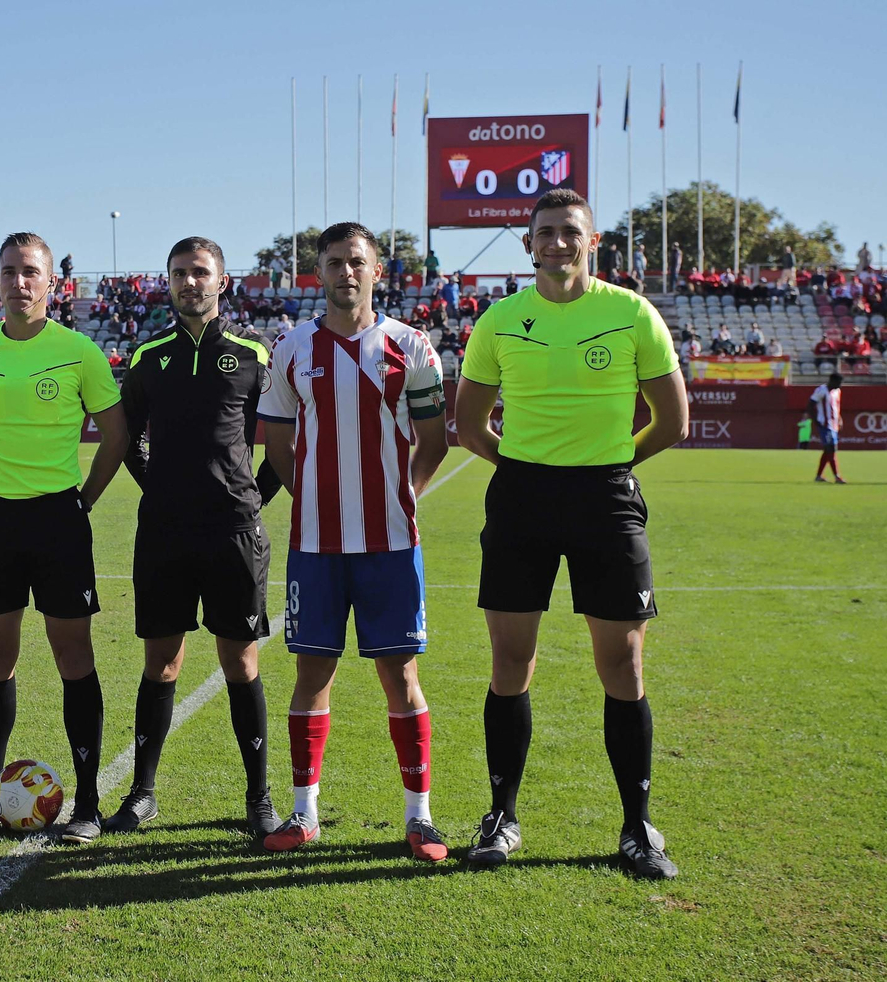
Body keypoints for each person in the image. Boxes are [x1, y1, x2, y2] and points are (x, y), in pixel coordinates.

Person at [454, 188, 689, 880]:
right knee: (510, 664)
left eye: (569, 232)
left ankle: (637, 826)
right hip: (522, 500)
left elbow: (671, 421)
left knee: (623, 666)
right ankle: (501, 815)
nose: (557, 242)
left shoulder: (631, 313)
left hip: (606, 501)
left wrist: (607, 468)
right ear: (528, 244)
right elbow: (471, 427)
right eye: (545, 232)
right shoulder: (499, 320)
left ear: (593, 243)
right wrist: (529, 470)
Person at [257, 223, 451, 861]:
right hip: (314, 545)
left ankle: (419, 819)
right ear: (319, 272)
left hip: (391, 545)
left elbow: (435, 440)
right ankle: (304, 813)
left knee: (400, 673)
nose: (346, 272)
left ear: (377, 271)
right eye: (335, 262)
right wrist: (316, 497)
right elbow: (280, 449)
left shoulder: (412, 346)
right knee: (313, 672)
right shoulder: (291, 348)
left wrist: (405, 498)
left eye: (357, 262)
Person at [0, 232, 129, 844]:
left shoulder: (79, 352)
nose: (19, 282)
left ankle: (90, 803)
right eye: (9, 272)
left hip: (59, 521)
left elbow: (117, 437)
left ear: (52, 283)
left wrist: (81, 502)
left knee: (74, 654)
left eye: (31, 273)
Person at [108, 236, 283, 838]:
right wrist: (155, 486)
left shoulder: (254, 353)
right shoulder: (147, 354)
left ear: (222, 281)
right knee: (161, 662)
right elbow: (126, 437)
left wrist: (253, 497)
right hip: (163, 530)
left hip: (234, 530)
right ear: (169, 281)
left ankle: (259, 798)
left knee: (240, 659)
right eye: (180, 273)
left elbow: (281, 444)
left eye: (200, 272)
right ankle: (142, 793)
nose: (190, 282)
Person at [810, 373, 845, 484]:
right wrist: (815, 421)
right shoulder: (821, 390)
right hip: (825, 425)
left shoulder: (837, 392)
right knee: (831, 448)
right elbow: (810, 405)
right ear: (831, 381)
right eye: (838, 383)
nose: (840, 385)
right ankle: (837, 476)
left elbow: (835, 407)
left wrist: (839, 419)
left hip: (833, 425)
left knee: (828, 450)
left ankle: (819, 476)